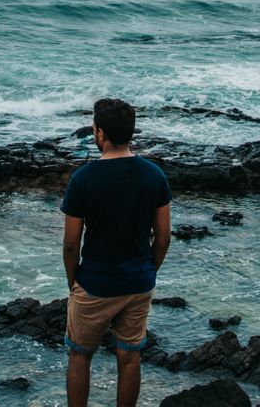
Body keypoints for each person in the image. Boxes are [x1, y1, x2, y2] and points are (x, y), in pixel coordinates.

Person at [61, 97, 172, 407]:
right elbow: (163, 238)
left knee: (80, 356)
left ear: (100, 134)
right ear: (131, 133)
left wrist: (74, 282)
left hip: (95, 282)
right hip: (137, 282)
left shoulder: (83, 178)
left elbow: (71, 244)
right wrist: (149, 271)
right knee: (129, 357)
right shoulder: (154, 175)